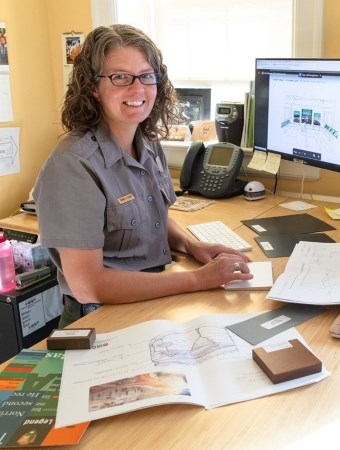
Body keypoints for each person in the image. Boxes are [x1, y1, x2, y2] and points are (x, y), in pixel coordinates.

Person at [33, 24, 252, 328]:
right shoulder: (72, 165)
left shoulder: (147, 143)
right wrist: (198, 279)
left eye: (146, 76)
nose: (137, 89)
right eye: (120, 77)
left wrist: (191, 246)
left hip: (153, 300)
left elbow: (150, 217)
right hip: (101, 316)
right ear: (92, 87)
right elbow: (88, 285)